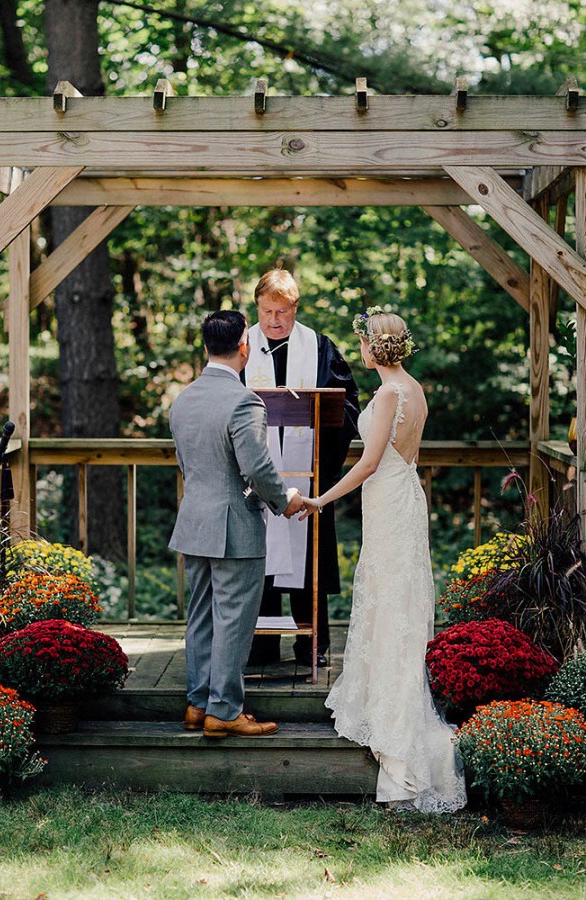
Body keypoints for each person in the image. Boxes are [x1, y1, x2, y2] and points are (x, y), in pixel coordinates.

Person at [299, 309, 466, 812]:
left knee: (393, 601)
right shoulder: (414, 387)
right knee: (396, 597)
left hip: (390, 497)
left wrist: (321, 501)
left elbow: (369, 463)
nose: (359, 352)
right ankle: (388, 693)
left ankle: (397, 725)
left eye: (363, 344)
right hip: (403, 495)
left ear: (376, 348)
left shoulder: (390, 393)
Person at [168, 310, 304, 738]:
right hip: (234, 528)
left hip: (194, 520)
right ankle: (224, 710)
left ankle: (198, 703)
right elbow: (258, 468)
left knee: (201, 615)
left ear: (205, 347)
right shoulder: (244, 400)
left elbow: (187, 464)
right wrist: (284, 501)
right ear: (244, 346)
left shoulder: (184, 398)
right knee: (233, 619)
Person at [244, 269, 360, 668]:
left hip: (306, 474)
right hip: (254, 480)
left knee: (306, 558)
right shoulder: (241, 348)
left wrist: (320, 462)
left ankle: (311, 646)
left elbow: (345, 406)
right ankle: (260, 648)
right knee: (259, 559)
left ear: (296, 308)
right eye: (266, 311)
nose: (274, 320)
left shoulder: (320, 347)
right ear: (256, 308)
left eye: (283, 311)